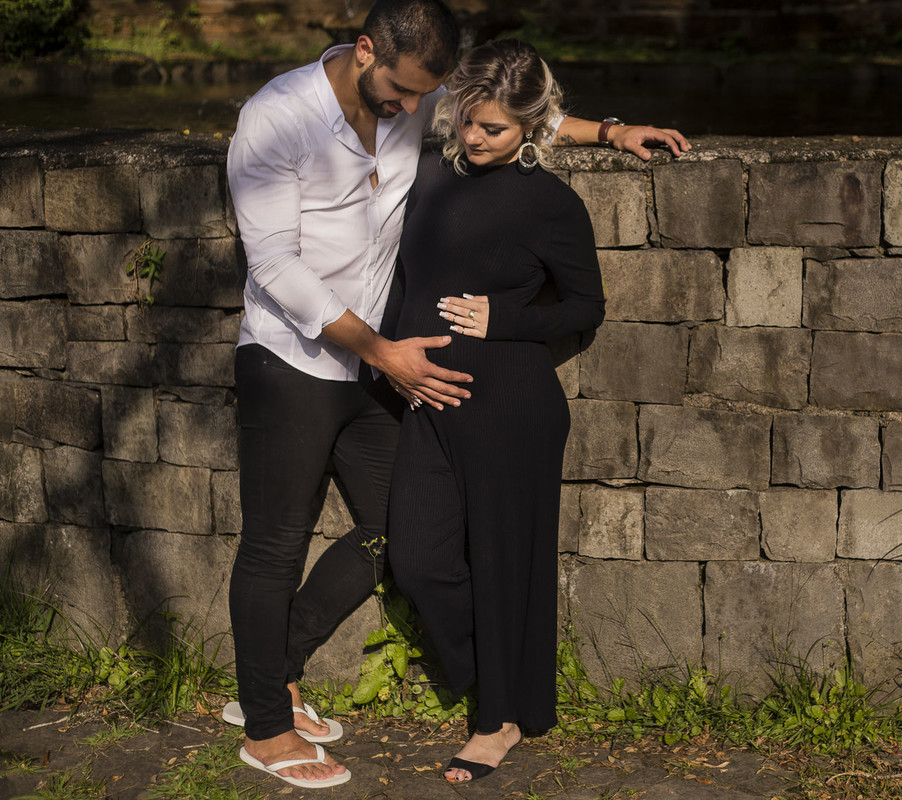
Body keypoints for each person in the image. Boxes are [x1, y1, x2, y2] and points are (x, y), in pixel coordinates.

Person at [224, 0, 689, 789]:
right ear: (366, 52)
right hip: (298, 361)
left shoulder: (422, 105)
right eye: (406, 95)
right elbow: (273, 264)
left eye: (427, 99)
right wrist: (386, 354)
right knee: (276, 545)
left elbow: (513, 119)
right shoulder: (277, 118)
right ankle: (266, 725)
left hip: (382, 373)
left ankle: (282, 675)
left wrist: (610, 132)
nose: (420, 114)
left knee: (390, 532)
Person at [382, 38, 603, 784]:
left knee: (506, 565)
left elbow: (585, 305)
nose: (473, 139)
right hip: (430, 399)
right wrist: (392, 357)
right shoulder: (431, 177)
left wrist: (500, 319)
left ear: (531, 129)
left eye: (494, 129)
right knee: (416, 559)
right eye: (467, 121)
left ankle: (496, 720)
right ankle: (511, 680)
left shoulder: (550, 202)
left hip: (511, 403)